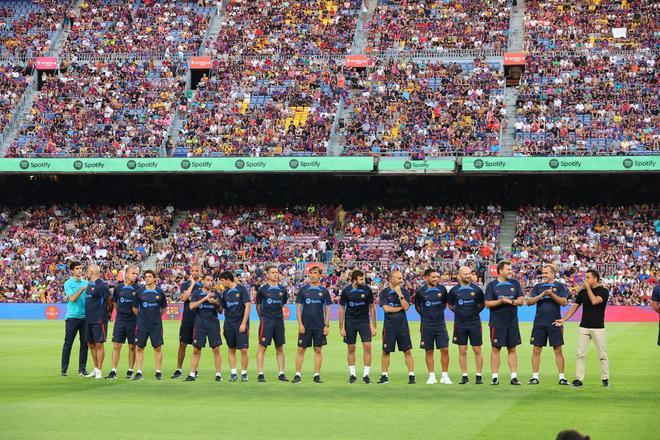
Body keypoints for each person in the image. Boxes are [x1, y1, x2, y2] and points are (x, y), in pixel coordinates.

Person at [554, 270, 610, 387]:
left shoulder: (603, 291)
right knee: (580, 354)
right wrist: (564, 319)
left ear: (596, 279)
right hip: (584, 326)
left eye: (588, 278)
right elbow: (575, 307)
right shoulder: (583, 292)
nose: (586, 280)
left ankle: (605, 379)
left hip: (598, 327)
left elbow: (595, 301)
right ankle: (579, 379)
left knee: (602, 355)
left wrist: (588, 289)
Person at [525, 264, 569, 385]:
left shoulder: (559, 286)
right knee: (536, 349)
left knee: (558, 349)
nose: (544, 275)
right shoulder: (538, 287)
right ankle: (535, 377)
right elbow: (529, 302)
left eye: (546, 273)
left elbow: (564, 302)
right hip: (539, 322)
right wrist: (541, 295)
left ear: (553, 274)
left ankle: (562, 377)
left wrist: (551, 294)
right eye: (543, 273)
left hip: (555, 323)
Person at [485, 261, 524, 385]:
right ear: (500, 271)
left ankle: (513, 376)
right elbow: (487, 303)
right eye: (508, 269)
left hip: (512, 322)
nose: (510, 271)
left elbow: (521, 300)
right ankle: (495, 377)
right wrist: (501, 301)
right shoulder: (492, 285)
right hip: (497, 323)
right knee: (496, 348)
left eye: (511, 269)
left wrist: (511, 302)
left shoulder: (515, 284)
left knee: (512, 349)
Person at [293, 266, 331, 383]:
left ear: (320, 275)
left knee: (318, 350)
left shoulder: (324, 291)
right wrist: (300, 324)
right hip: (305, 325)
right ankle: (298, 374)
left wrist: (326, 325)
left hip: (319, 326)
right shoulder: (304, 290)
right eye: (311, 273)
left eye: (315, 273)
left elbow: (327, 309)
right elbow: (298, 308)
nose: (313, 275)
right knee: (301, 349)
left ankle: (316, 375)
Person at [447, 266, 485, 385]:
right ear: (459, 276)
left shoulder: (477, 290)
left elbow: (482, 304)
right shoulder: (454, 291)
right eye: (465, 274)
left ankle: (478, 376)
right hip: (460, 324)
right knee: (462, 350)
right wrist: (460, 313)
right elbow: (451, 305)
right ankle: (464, 376)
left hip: (474, 323)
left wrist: (472, 313)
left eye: (469, 273)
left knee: (477, 349)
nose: (468, 275)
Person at [339, 269, 376, 384]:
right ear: (354, 280)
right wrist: (341, 327)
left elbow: (372, 307)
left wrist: (374, 325)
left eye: (363, 278)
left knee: (367, 347)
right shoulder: (346, 291)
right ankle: (353, 375)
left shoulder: (367, 290)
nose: (363, 281)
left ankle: (366, 375)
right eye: (361, 279)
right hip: (350, 323)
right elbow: (341, 308)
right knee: (351, 348)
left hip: (364, 322)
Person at [414, 268, 451, 385]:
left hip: (440, 324)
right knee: (429, 350)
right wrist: (426, 316)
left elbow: (444, 304)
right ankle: (431, 376)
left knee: (444, 349)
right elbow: (418, 307)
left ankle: (445, 376)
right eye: (433, 277)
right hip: (427, 325)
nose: (436, 279)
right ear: (426, 278)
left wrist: (437, 314)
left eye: (437, 277)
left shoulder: (442, 289)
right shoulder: (420, 291)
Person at [378, 270, 415, 384]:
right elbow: (386, 309)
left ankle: (411, 376)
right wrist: (400, 308)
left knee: (407, 351)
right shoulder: (384, 292)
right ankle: (384, 376)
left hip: (402, 325)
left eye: (402, 278)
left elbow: (407, 307)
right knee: (386, 351)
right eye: (399, 278)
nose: (401, 280)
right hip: (389, 326)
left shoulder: (404, 291)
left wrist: (400, 294)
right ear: (391, 279)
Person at [185, 274, 223, 382]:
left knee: (216, 349)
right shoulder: (197, 293)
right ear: (203, 281)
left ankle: (218, 374)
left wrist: (215, 303)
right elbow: (191, 306)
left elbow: (220, 311)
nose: (210, 282)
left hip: (213, 324)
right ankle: (192, 374)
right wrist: (205, 299)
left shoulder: (216, 294)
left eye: (211, 280)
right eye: (208, 280)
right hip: (200, 325)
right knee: (196, 349)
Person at [255, 266, 289, 382]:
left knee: (280, 348)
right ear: (267, 275)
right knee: (262, 348)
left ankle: (281, 373)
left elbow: (283, 303)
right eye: (273, 273)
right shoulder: (262, 290)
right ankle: (260, 373)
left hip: (279, 321)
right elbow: (258, 306)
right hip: (267, 321)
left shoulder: (282, 289)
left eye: (277, 272)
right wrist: (263, 318)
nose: (275, 274)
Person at [132, 270, 167, 381]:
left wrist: (155, 316)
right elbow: (135, 308)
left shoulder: (160, 292)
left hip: (156, 325)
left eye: (150, 276)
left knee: (157, 348)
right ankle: (138, 372)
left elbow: (164, 308)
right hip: (142, 324)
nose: (147, 278)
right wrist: (143, 317)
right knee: (139, 348)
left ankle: (158, 372)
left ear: (155, 278)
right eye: (146, 277)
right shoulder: (139, 292)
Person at [105, 266, 139, 380]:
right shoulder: (118, 288)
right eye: (133, 273)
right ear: (127, 274)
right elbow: (114, 302)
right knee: (116, 345)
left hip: (133, 321)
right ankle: (113, 371)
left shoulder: (138, 289)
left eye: (136, 273)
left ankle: (130, 370)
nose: (135, 275)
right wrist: (120, 312)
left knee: (132, 346)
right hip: (120, 320)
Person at [171, 263, 202, 379]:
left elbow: (194, 299)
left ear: (200, 272)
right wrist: (192, 285)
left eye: (197, 271)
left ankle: (194, 370)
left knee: (197, 346)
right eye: (193, 270)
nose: (194, 273)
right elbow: (184, 297)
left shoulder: (203, 285)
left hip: (199, 319)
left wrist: (191, 296)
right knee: (182, 344)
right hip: (187, 319)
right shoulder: (185, 284)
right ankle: (179, 369)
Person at [219, 271, 251, 382]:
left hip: (240, 324)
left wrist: (243, 323)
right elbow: (221, 309)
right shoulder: (225, 292)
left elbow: (247, 306)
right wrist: (215, 302)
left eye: (222, 281)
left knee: (244, 350)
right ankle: (233, 373)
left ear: (227, 279)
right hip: (229, 325)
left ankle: (244, 373)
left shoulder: (241, 289)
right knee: (231, 349)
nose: (221, 283)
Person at [83, 265, 112, 379]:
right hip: (88, 318)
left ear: (91, 271)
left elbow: (109, 299)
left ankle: (99, 369)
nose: (86, 272)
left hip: (99, 319)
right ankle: (95, 368)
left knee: (99, 344)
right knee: (91, 344)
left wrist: (108, 313)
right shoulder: (89, 284)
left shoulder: (102, 285)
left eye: (87, 270)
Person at [60, 261, 88, 377]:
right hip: (72, 317)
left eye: (81, 268)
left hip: (85, 317)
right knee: (68, 344)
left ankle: (82, 369)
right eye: (77, 268)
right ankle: (64, 369)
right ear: (72, 270)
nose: (80, 270)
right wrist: (82, 289)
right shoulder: (68, 283)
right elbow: (72, 298)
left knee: (84, 344)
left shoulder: (86, 282)